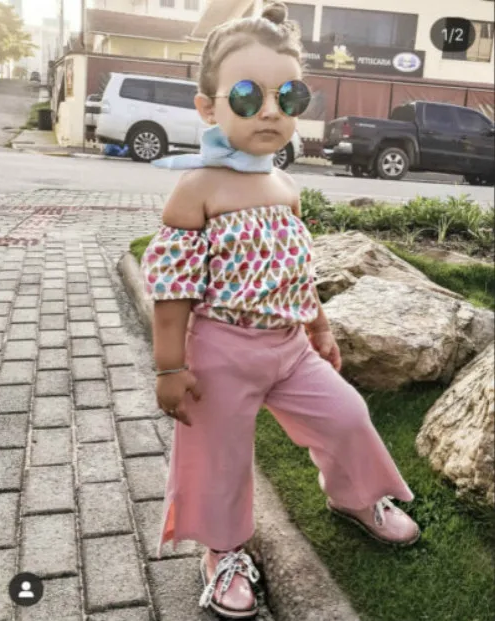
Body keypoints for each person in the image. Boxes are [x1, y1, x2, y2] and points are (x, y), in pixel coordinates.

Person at [141, 3, 420, 619]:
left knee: (347, 414)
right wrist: (169, 367)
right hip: (220, 352)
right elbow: (172, 290)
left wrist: (318, 326)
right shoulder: (198, 189)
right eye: (247, 96)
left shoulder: (284, 187)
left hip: (290, 348)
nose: (270, 110)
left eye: (288, 95)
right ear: (208, 107)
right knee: (219, 457)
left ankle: (354, 494)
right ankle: (224, 551)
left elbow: (296, 270)